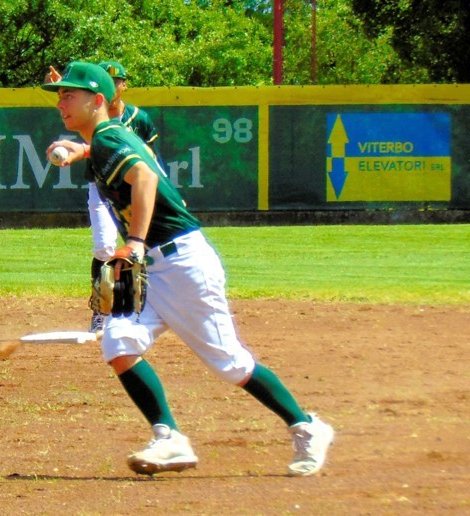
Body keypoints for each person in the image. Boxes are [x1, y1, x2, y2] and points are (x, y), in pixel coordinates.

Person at [43, 62, 335, 477]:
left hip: (181, 262)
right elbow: (130, 151)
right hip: (151, 265)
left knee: (230, 363)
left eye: (70, 95)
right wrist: (82, 150)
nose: (61, 103)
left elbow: (145, 177)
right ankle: (170, 439)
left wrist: (135, 241)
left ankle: (306, 427)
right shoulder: (105, 139)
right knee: (118, 341)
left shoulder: (107, 138)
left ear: (98, 100)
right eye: (60, 96)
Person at [45, 61, 162, 336]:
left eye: (118, 80)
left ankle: (139, 308)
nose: (115, 86)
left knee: (145, 247)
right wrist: (67, 91)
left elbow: (149, 163)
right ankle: (102, 311)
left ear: (123, 85)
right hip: (102, 187)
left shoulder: (137, 119)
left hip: (135, 189)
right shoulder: (96, 119)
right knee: (104, 247)